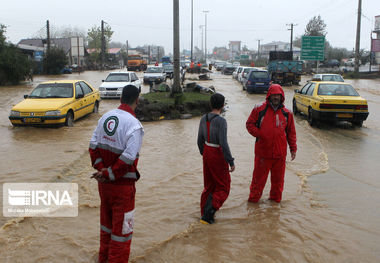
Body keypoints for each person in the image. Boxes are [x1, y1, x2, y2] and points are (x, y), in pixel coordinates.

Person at [89, 85, 144, 263]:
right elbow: (128, 158)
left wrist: (102, 171)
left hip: (104, 187)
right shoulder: (135, 126)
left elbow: (93, 147)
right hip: (122, 188)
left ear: (121, 98)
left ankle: (102, 259)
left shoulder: (105, 117)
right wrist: (110, 173)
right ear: (137, 100)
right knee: (121, 235)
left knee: (106, 228)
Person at [246, 84, 297, 203]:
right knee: (257, 182)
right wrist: (260, 134)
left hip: (279, 155)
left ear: (281, 97)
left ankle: (274, 208)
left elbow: (291, 133)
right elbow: (249, 124)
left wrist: (293, 149)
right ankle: (253, 205)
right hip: (263, 154)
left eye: (278, 95)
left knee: (278, 183)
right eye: (273, 95)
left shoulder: (287, 113)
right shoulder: (259, 109)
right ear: (269, 95)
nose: (276, 97)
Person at [197, 93, 235, 224]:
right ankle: (210, 212)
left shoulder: (203, 118)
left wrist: (205, 154)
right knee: (224, 186)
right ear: (223, 105)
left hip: (207, 152)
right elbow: (223, 143)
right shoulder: (222, 121)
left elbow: (199, 140)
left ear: (210, 104)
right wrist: (230, 161)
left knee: (209, 185)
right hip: (217, 153)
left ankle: (204, 213)